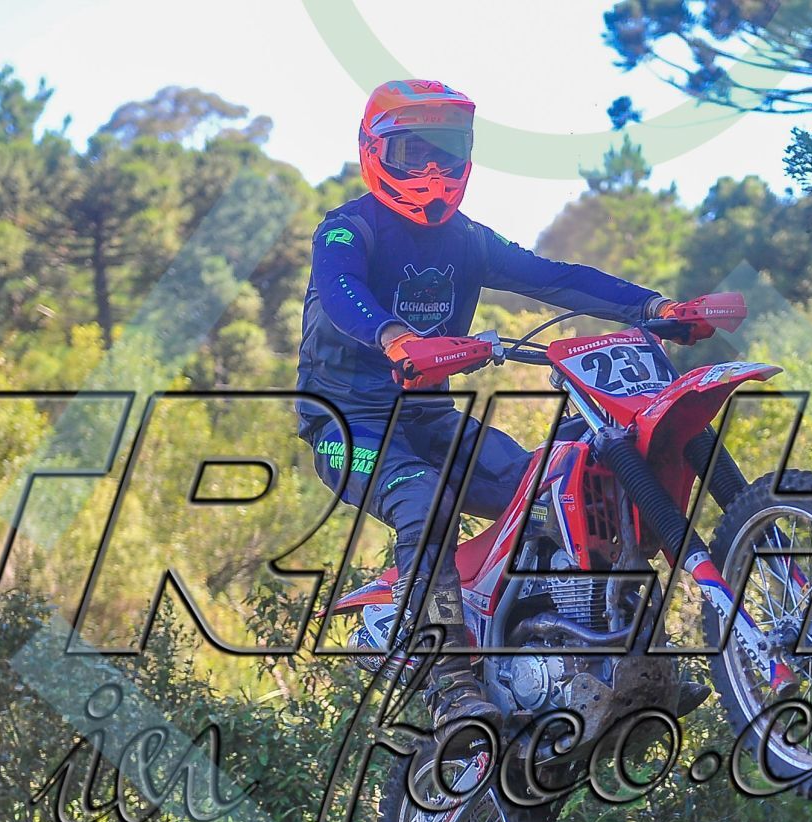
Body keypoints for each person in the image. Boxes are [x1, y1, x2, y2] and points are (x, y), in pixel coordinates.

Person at [296, 78, 715, 728]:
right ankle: (450, 684)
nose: (432, 170)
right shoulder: (348, 231)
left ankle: (599, 651)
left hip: (429, 418)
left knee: (558, 487)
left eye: (446, 152)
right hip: (349, 426)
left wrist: (654, 307)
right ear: (375, 152)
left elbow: (555, 278)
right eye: (413, 152)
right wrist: (394, 336)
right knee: (424, 503)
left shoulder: (467, 240)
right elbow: (341, 290)